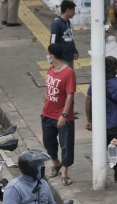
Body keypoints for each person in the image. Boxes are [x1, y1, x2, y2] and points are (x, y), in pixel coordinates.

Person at [85, 56, 117, 183]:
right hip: (116, 124)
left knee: (101, 149)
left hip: (100, 124)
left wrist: (89, 120)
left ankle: (99, 174)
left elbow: (88, 100)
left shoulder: (95, 82)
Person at [41, 44, 76, 186]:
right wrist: (45, 106)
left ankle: (65, 171)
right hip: (47, 114)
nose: (47, 55)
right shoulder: (50, 69)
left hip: (62, 115)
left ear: (53, 55)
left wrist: (64, 115)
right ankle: (56, 162)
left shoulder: (68, 73)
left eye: (48, 53)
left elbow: (70, 96)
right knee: (48, 141)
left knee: (66, 144)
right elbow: (47, 89)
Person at [50, 0, 79, 68]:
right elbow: (53, 42)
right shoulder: (56, 24)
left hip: (69, 58)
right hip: (61, 59)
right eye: (73, 10)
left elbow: (70, 38)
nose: (74, 13)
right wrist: (55, 59)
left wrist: (74, 50)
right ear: (68, 10)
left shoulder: (68, 22)